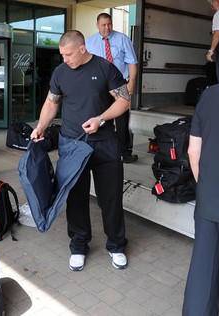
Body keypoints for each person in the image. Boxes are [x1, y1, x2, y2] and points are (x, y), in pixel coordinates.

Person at [30, 30, 130, 271]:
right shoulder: (60, 72)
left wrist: (100, 119)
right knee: (75, 197)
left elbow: (124, 101)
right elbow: (52, 102)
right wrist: (41, 126)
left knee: (111, 197)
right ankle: (78, 245)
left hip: (105, 142)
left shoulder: (105, 68)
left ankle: (116, 245)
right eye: (62, 54)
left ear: (82, 48)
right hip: (72, 143)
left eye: (68, 54)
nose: (65, 59)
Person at [182, 50, 219, 315]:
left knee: (202, 281)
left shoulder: (210, 94)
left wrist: (206, 189)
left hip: (209, 204)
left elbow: (193, 152)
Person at [85, 12, 138, 163]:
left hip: (120, 84)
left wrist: (131, 82)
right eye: (103, 25)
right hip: (99, 85)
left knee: (122, 120)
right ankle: (101, 150)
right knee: (100, 117)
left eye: (109, 24)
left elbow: (132, 62)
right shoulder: (89, 42)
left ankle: (124, 153)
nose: (107, 28)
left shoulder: (122, 39)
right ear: (97, 25)